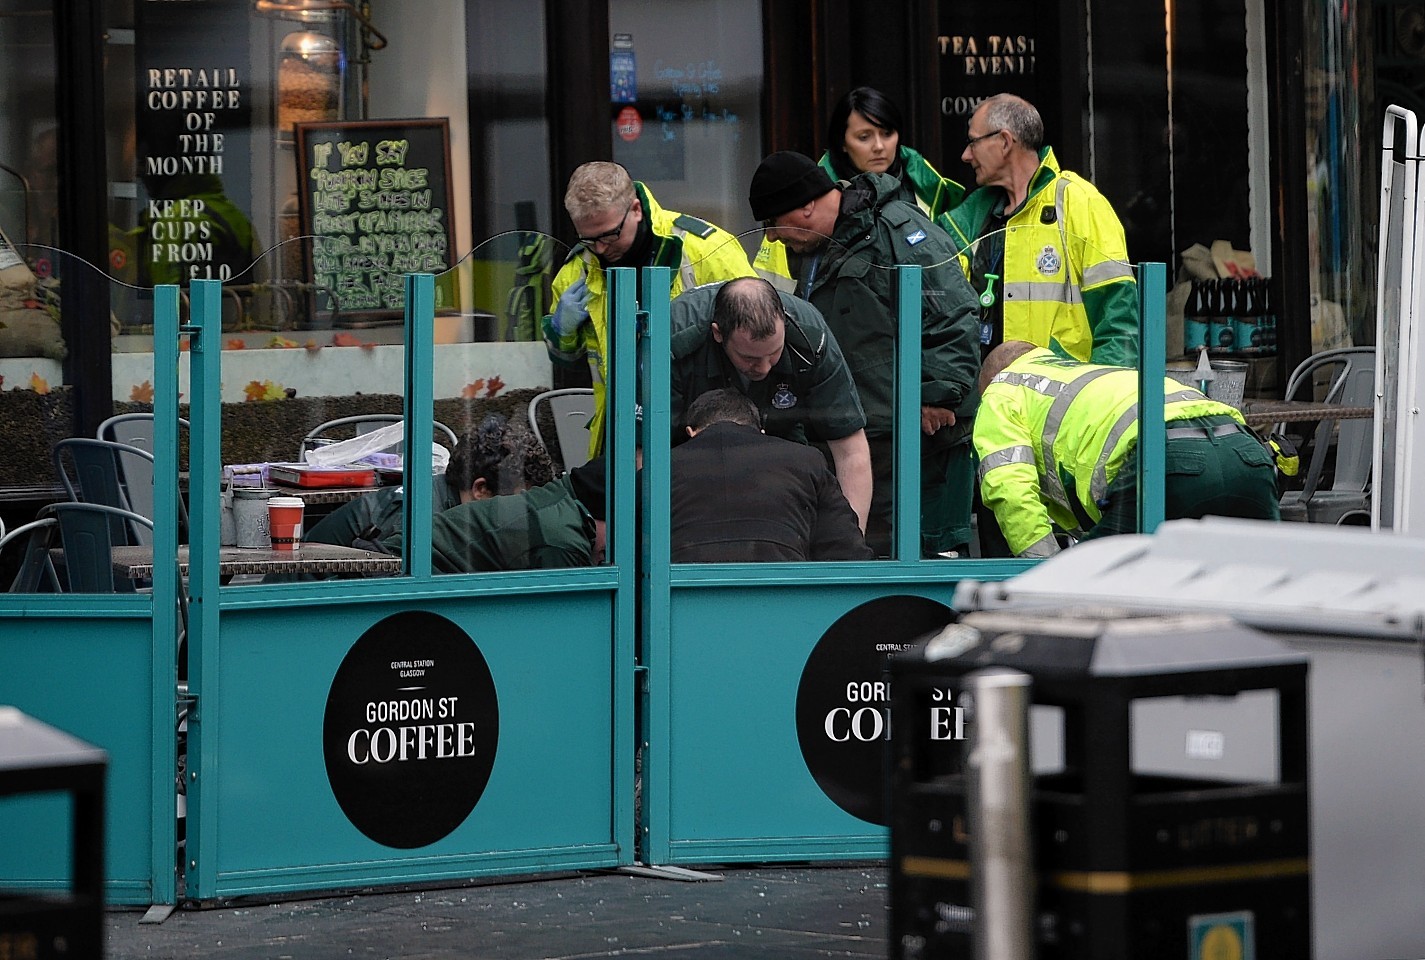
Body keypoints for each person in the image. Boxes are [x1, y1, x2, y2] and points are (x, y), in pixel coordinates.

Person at [748, 151, 981, 558]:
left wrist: (938, 394)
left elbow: (954, 313)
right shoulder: (817, 246)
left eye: (773, 222)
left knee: (913, 562)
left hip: (913, 444)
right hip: (852, 438)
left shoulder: (899, 232)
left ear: (806, 205)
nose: (770, 237)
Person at [973, 341, 1280, 558]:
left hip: (1166, 459)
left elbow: (1011, 491)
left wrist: (1046, 572)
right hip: (1245, 450)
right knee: (1263, 581)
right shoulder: (1087, 371)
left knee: (1098, 578)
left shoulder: (1001, 391)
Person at [543, 162, 756, 458]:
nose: (601, 249)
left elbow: (757, 325)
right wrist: (559, 330)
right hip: (624, 433)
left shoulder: (707, 249)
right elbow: (566, 360)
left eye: (609, 235)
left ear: (635, 209)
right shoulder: (576, 271)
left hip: (707, 426)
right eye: (588, 239)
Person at [940, 93, 1139, 367]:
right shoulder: (972, 216)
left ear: (1005, 141)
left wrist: (1106, 399)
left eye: (973, 142)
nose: (965, 155)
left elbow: (1118, 320)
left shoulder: (1078, 202)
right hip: (984, 401)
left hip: (1060, 399)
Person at [669, 277, 871, 530]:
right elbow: (642, 453)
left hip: (781, 446)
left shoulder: (810, 337)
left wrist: (852, 546)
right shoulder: (673, 339)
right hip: (689, 466)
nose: (764, 368)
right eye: (749, 358)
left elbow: (851, 450)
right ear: (718, 333)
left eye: (774, 353)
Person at [753, 86, 963, 292]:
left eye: (887, 133)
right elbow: (775, 293)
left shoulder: (929, 193)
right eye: (864, 137)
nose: (879, 146)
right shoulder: (803, 204)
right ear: (842, 142)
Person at [374, 417, 607, 573]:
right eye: (520, 499)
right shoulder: (414, 519)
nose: (528, 509)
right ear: (481, 490)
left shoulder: (442, 512)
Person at [670, 389, 872, 562]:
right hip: (785, 597)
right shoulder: (805, 460)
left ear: (691, 432)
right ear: (761, 431)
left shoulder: (663, 467)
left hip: (680, 598)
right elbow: (845, 551)